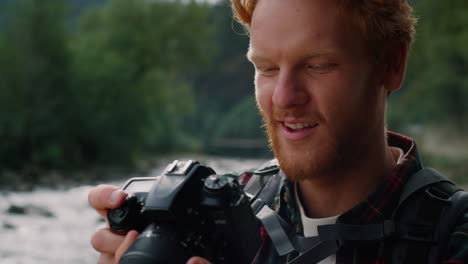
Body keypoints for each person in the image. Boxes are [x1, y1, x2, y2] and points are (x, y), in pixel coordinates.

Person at [88, 0, 468, 263]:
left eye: (318, 65)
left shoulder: (453, 234)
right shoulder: (218, 213)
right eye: (267, 68)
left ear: (391, 64)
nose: (284, 97)